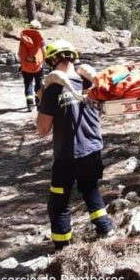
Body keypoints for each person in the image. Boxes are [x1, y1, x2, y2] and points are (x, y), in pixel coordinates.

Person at [36, 40, 114, 251]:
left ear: (52, 60)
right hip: (93, 149)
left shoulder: (52, 90)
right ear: (72, 57)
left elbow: (42, 130)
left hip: (66, 156)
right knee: (89, 189)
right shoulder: (88, 83)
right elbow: (98, 113)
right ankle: (106, 229)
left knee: (58, 204)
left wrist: (41, 102)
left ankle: (63, 249)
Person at [18, 20, 45, 112]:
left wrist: (22, 63)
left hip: (26, 67)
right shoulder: (40, 38)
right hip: (38, 66)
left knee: (28, 84)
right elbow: (44, 51)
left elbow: (20, 53)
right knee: (39, 85)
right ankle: (38, 103)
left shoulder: (24, 38)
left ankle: (29, 104)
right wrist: (45, 61)